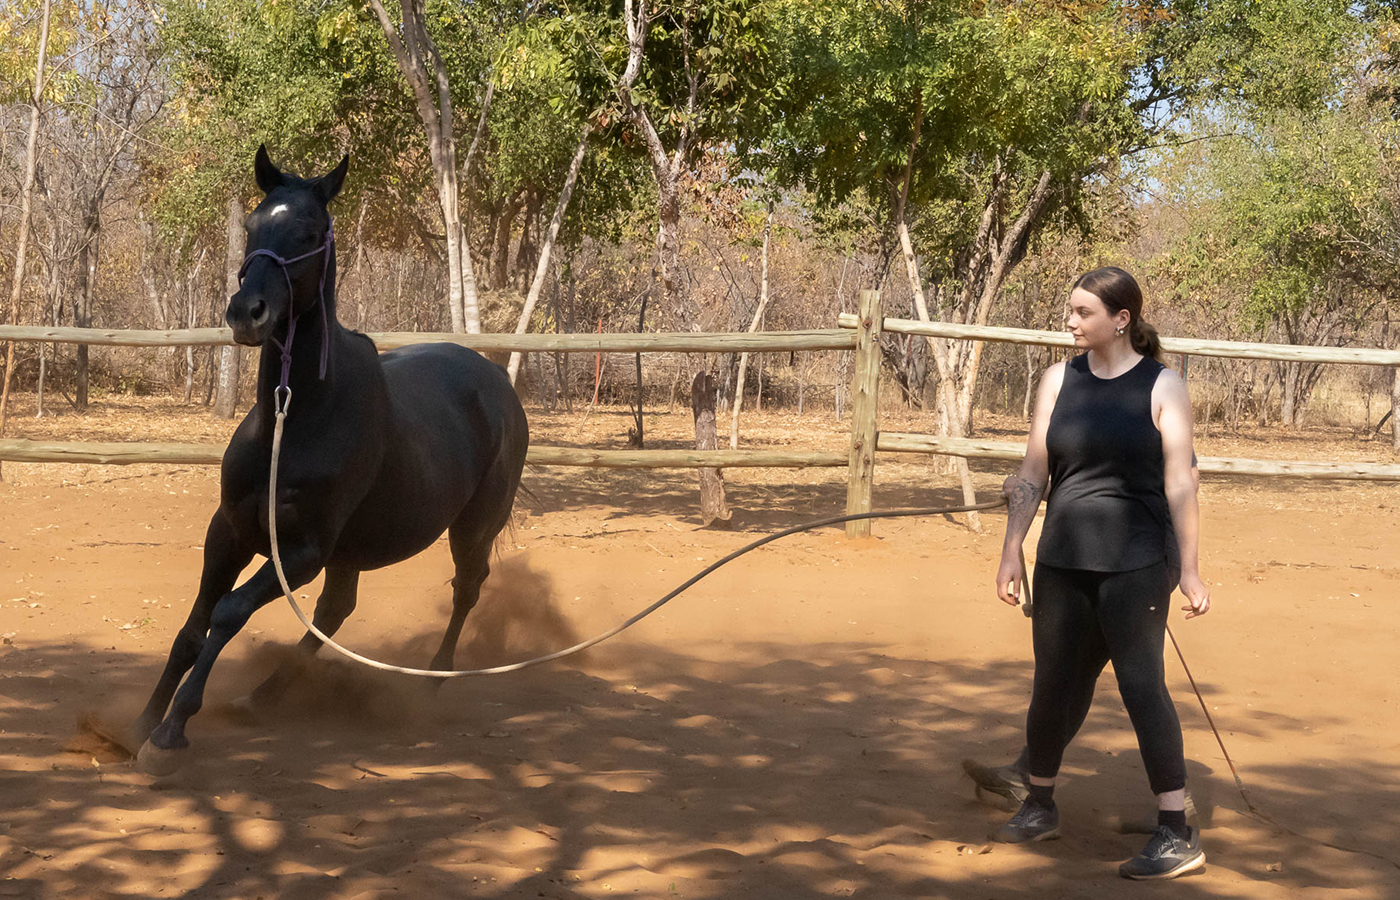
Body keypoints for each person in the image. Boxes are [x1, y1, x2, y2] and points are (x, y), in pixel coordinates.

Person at [990, 266, 1211, 880]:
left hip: (1136, 559)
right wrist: (1012, 548)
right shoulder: (1058, 379)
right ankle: (1039, 803)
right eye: (1070, 310)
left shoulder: (1164, 385)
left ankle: (1175, 831)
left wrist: (1189, 570)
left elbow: (1180, 482)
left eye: (1083, 312)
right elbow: (1034, 470)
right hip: (1062, 554)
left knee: (1142, 686)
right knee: (1052, 681)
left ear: (1121, 320)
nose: (1070, 321)